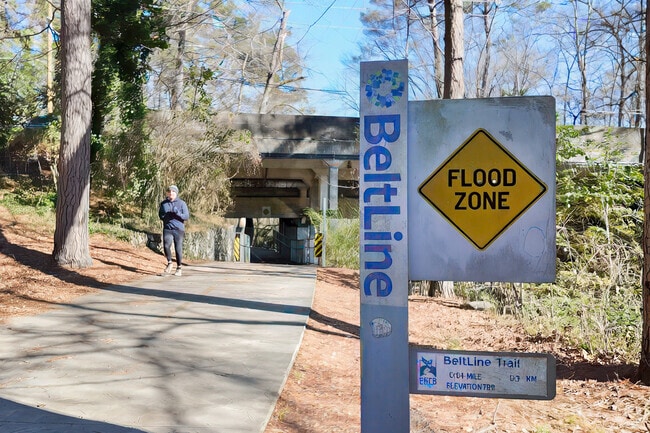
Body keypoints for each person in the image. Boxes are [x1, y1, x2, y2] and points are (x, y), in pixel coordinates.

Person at [158, 185, 189, 276]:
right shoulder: (164, 203)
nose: (171, 193)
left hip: (178, 229)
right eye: (169, 191)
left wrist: (177, 213)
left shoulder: (181, 203)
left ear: (176, 193)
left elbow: (186, 216)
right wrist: (165, 217)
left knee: (178, 248)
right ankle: (170, 263)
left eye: (173, 191)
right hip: (168, 228)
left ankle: (179, 267)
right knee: (166, 246)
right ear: (167, 193)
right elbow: (160, 214)